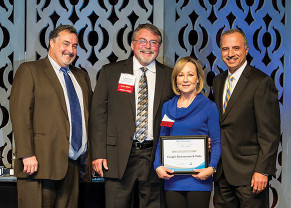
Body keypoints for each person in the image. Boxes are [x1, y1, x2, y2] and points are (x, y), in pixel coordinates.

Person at [90, 23, 174, 208]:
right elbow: (98, 115)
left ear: (159, 47)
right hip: (117, 156)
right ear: (132, 44)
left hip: (154, 156)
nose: (148, 46)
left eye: (154, 42)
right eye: (142, 41)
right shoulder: (110, 72)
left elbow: (180, 112)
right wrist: (98, 154)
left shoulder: (169, 75)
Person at [10, 25, 92, 208]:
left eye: (75, 46)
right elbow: (20, 114)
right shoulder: (30, 70)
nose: (71, 50)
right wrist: (26, 153)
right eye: (66, 44)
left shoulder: (80, 77)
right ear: (51, 43)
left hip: (72, 165)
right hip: (38, 164)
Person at [212, 29, 280, 208]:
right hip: (222, 173)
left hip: (251, 175)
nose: (230, 53)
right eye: (225, 49)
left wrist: (262, 171)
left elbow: (270, 133)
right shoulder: (218, 81)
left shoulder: (261, 82)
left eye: (236, 48)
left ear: (246, 49)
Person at [153, 57, 221, 208]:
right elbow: (161, 140)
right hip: (172, 179)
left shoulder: (209, 107)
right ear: (175, 79)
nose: (185, 79)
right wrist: (157, 165)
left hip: (199, 179)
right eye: (180, 75)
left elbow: (216, 142)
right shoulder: (167, 107)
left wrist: (211, 168)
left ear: (198, 79)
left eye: (190, 75)